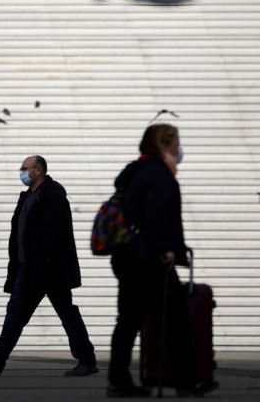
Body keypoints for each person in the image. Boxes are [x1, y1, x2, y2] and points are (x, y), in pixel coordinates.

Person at [0, 155, 98, 377]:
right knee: (26, 312)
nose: (21, 172)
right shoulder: (29, 196)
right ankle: (86, 359)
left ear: (38, 170)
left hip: (45, 269)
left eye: (24, 168)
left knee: (38, 312)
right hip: (30, 267)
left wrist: (43, 264)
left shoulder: (52, 194)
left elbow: (56, 233)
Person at [107, 124, 213, 398]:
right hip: (149, 259)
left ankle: (119, 380)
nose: (179, 148)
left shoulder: (136, 170)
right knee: (174, 319)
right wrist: (166, 249)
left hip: (128, 256)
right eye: (176, 142)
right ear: (164, 145)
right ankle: (188, 380)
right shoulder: (158, 174)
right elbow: (154, 216)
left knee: (129, 320)